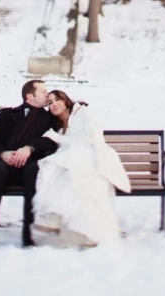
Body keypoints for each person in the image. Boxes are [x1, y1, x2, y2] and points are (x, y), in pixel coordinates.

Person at [33, 89, 131, 246]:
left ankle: (54, 216)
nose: (54, 104)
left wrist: (58, 138)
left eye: (57, 99)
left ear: (66, 100)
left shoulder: (83, 112)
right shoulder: (57, 124)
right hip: (72, 161)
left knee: (78, 172)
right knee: (66, 173)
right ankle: (61, 219)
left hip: (96, 156)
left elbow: (91, 139)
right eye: (50, 102)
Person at [0, 79, 59, 247]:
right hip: (6, 164)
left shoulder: (50, 119)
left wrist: (30, 148)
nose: (47, 94)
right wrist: (3, 153)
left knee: (33, 171)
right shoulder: (7, 115)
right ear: (30, 96)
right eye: (43, 91)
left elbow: (51, 141)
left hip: (31, 163)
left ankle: (27, 232)